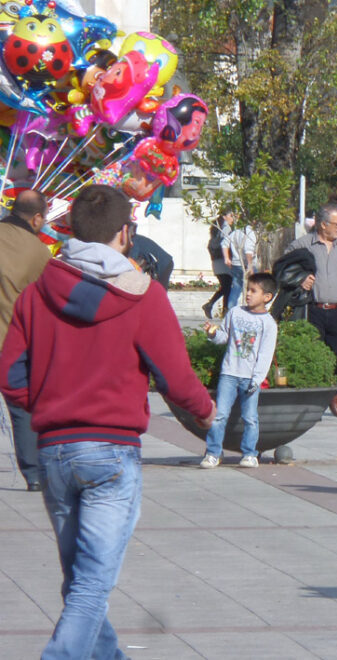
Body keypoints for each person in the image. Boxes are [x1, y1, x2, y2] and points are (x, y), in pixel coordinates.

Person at [0, 184, 215, 659]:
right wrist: (205, 412)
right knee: (90, 587)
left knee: (80, 582)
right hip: (112, 455)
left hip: (55, 450)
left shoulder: (38, 295)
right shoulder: (143, 295)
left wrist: (48, 404)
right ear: (124, 232)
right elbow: (176, 379)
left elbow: (11, 375)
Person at [286, 203, 337, 417]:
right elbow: (283, 268)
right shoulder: (302, 245)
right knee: (315, 355)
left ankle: (332, 390)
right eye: (336, 224)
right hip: (313, 310)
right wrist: (300, 279)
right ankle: (318, 399)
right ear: (322, 224)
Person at [200, 272, 278, 469]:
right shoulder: (235, 312)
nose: (248, 294)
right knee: (220, 415)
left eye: (254, 291)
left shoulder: (268, 323)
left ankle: (250, 453)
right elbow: (224, 337)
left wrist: (257, 379)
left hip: (250, 377)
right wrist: (213, 334)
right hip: (229, 373)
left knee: (250, 417)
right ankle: (213, 453)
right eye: (248, 290)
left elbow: (266, 353)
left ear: (267, 297)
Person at [0, 189, 50, 491]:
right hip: (12, 344)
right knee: (21, 409)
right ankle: (32, 474)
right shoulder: (39, 253)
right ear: (37, 218)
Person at [202, 209, 234, 319]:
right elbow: (226, 244)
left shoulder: (216, 227)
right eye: (231, 215)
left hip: (216, 262)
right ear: (225, 217)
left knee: (226, 287)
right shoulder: (226, 228)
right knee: (227, 287)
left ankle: (220, 309)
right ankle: (213, 306)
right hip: (223, 261)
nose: (233, 218)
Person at [222, 212, 255, 309]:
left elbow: (224, 244)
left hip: (236, 263)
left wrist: (226, 258)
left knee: (235, 289)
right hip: (245, 264)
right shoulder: (249, 232)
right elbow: (248, 250)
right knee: (254, 289)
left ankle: (230, 309)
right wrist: (250, 265)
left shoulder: (235, 232)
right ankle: (251, 310)